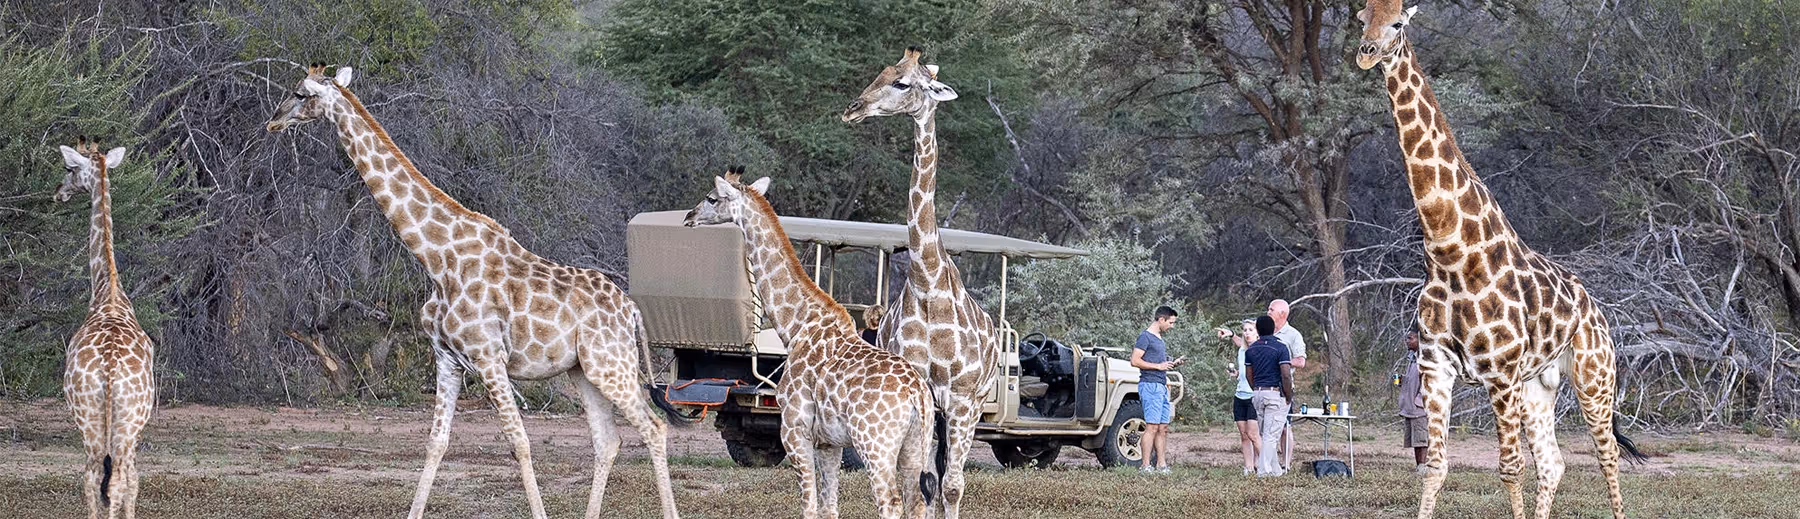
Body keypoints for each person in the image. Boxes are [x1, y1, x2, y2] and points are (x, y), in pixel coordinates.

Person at [1130, 305, 1183, 473]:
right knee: (1151, 427)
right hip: (1150, 385)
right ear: (1161, 319)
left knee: (1162, 427)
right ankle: (1145, 465)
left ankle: (1161, 465)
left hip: (1161, 385)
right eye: (1171, 322)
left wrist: (1170, 364)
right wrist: (1158, 366)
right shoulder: (1145, 337)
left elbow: (1158, 364)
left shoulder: (1159, 338)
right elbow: (1135, 360)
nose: (1171, 326)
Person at [1243, 315, 1293, 477]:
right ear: (1273, 329)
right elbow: (1285, 375)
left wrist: (1256, 389)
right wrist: (1288, 395)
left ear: (1258, 330)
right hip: (1275, 393)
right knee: (1272, 436)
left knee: (1266, 435)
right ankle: (1264, 472)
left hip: (1257, 392)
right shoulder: (1280, 348)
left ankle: (1276, 470)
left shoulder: (1251, 350)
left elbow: (1248, 375)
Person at [1267, 299, 1306, 471]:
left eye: (1271, 309)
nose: (1268, 312)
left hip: (1283, 387)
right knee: (1266, 427)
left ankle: (1286, 464)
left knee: (1284, 427)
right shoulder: (1265, 331)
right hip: (1265, 385)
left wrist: (1283, 361)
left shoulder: (1293, 335)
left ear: (1282, 314)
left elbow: (1301, 361)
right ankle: (1268, 462)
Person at [1220, 318, 1260, 475]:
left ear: (1257, 333)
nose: (1247, 333)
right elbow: (1243, 373)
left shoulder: (1259, 350)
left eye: (1251, 330)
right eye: (1245, 330)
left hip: (1254, 396)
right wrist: (1236, 374)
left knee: (1254, 434)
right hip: (1240, 394)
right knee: (1244, 435)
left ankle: (1266, 465)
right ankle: (1248, 467)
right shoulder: (1242, 350)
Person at [1398, 331, 1429, 473]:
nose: (1407, 341)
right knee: (1415, 440)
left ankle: (1423, 467)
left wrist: (1420, 400)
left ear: (1419, 340)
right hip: (1410, 407)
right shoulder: (1413, 359)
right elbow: (1414, 380)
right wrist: (1402, 380)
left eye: (1410, 338)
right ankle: (1419, 467)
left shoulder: (1427, 359)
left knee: (1422, 438)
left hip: (1419, 407)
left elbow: (1430, 383)